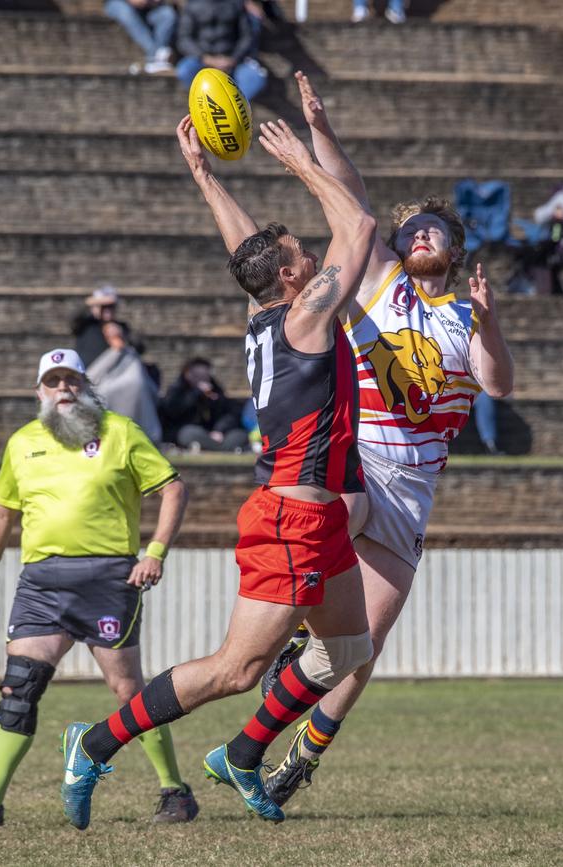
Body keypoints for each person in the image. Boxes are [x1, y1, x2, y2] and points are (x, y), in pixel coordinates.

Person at [57, 113, 377, 829]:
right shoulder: (303, 320)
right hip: (290, 519)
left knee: (349, 649)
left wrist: (206, 177)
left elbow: (247, 255)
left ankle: (241, 755)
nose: (313, 255)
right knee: (237, 670)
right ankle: (96, 743)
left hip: (317, 518)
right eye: (303, 253)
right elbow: (358, 225)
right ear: (296, 278)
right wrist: (299, 160)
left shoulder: (268, 313)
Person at [262, 72, 515, 807]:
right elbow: (353, 204)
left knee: (359, 651)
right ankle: (280, 645)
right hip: (360, 457)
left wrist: (491, 322)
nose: (419, 235)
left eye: (431, 230)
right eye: (409, 233)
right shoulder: (381, 286)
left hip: (413, 492)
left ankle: (294, 765)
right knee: (325, 524)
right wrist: (322, 131)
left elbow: (497, 386)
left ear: (455, 248)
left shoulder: (467, 319)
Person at [0, 348, 198, 827]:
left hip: (107, 579)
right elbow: (0, 513)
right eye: (53, 382)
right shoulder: (22, 442)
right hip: (41, 582)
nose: (63, 390)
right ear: (39, 391)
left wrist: (155, 552)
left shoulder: (120, 432)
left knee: (127, 692)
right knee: (18, 689)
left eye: (72, 380)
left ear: (86, 386)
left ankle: (174, 792)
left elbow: (173, 488)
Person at [175, 0, 268, 102]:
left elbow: (247, 37)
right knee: (185, 70)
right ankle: (208, 104)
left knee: (255, 78)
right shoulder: (192, 5)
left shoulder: (236, 4)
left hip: (233, 59)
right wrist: (206, 58)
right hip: (202, 59)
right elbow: (184, 39)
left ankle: (233, 108)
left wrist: (233, 59)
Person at [88, 322, 163, 444]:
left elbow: (148, 388)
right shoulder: (101, 353)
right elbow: (90, 379)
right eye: (110, 335)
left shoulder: (131, 356)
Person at [160, 356, 248, 452]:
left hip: (217, 435)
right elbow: (173, 411)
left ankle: (217, 451)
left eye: (205, 375)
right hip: (190, 433)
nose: (203, 379)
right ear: (187, 374)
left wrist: (219, 430)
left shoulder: (215, 390)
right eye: (197, 375)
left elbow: (231, 413)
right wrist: (196, 394)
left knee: (239, 435)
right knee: (188, 433)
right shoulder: (177, 389)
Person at [104, 0, 176, 75]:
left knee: (167, 14)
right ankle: (155, 55)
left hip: (148, 9)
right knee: (126, 13)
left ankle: (156, 59)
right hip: (119, 3)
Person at [71, 285, 132, 368]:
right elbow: (74, 320)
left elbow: (139, 347)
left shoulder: (121, 327)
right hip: (88, 374)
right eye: (103, 307)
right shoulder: (86, 324)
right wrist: (90, 305)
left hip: (113, 376)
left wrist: (122, 335)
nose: (107, 310)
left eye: (110, 306)